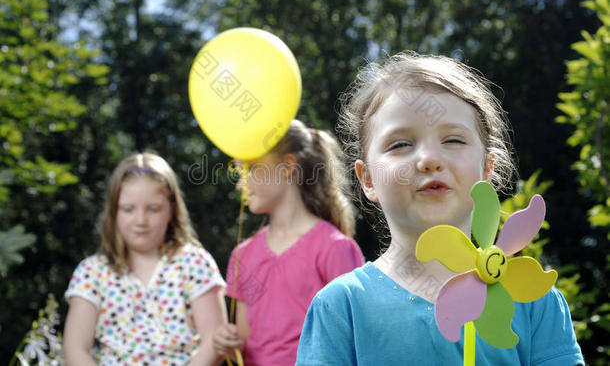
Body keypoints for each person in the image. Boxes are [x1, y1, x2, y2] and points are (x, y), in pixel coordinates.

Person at [295, 52, 584, 365]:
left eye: (454, 140)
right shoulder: (340, 308)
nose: (429, 159)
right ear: (368, 180)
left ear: (487, 169)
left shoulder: (533, 300)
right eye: (400, 144)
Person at [212, 119, 365, 366]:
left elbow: (354, 339)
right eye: (239, 172)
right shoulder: (242, 255)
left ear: (287, 166)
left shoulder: (334, 247)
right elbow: (245, 342)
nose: (241, 184)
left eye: (250, 169)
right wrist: (226, 343)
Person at [64, 152, 227, 366]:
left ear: (171, 210)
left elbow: (214, 343)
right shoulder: (92, 273)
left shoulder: (194, 263)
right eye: (128, 209)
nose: (141, 220)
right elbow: (75, 349)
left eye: (153, 209)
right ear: (114, 212)